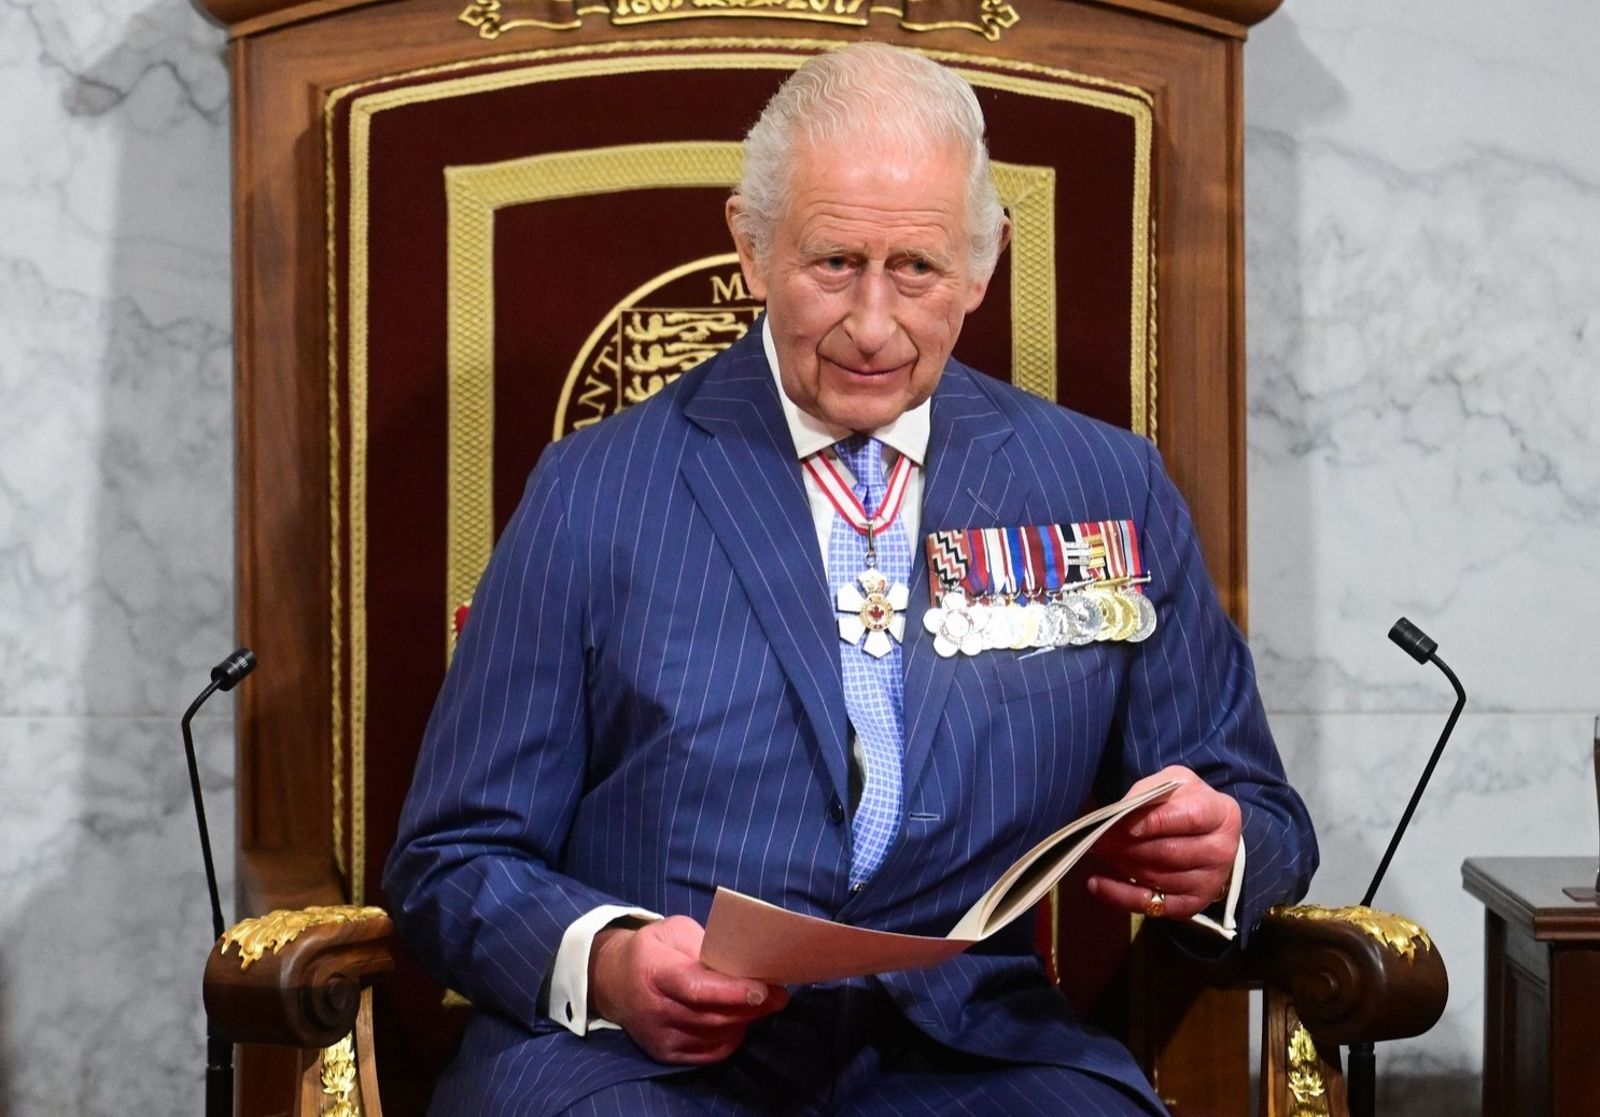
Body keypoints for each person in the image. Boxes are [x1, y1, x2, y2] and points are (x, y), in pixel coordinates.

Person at [385, 41, 1316, 1116]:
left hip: (974, 1050)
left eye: (917, 269)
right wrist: (610, 962)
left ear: (982, 266)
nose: (873, 325)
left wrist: (1224, 851)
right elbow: (451, 857)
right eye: (833, 263)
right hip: (642, 1061)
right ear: (750, 247)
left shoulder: (1106, 485)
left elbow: (1262, 812)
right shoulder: (593, 489)